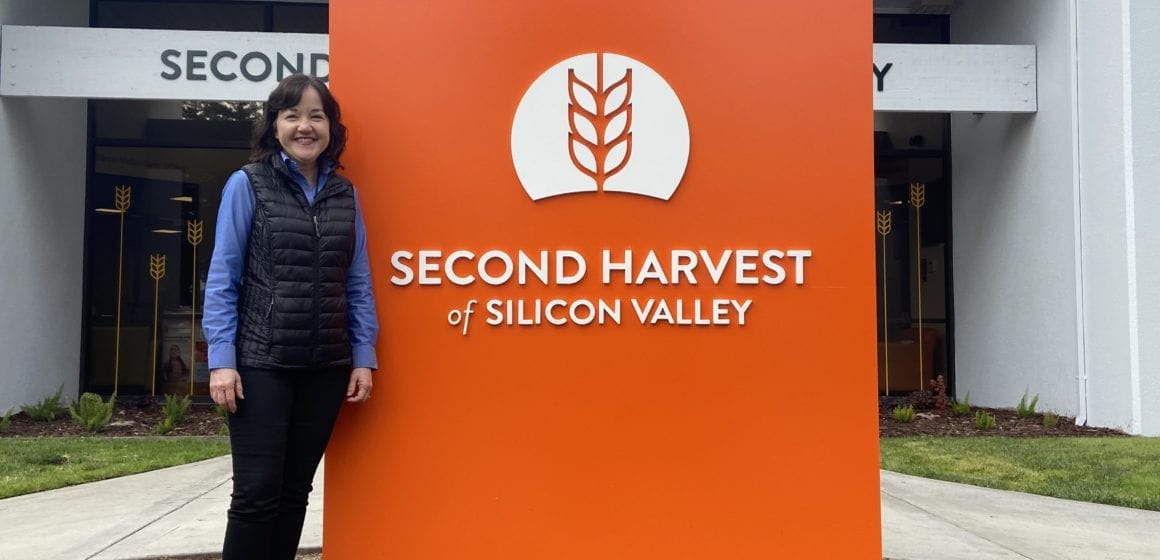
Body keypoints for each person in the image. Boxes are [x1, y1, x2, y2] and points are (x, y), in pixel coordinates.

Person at [202, 73, 378, 560]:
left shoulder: (345, 195)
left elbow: (357, 281)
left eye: (316, 116)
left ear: (331, 128)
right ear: (274, 125)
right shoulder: (248, 185)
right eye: (292, 115)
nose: (305, 126)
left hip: (326, 365)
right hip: (261, 362)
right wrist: (222, 360)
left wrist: (363, 354)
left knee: (295, 492)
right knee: (257, 494)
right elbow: (223, 278)